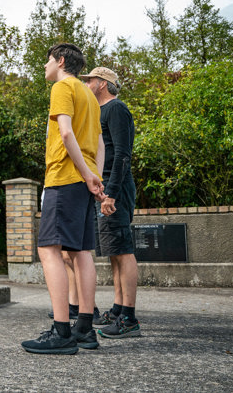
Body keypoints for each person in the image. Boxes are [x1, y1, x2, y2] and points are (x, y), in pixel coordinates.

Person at [22, 43, 106, 355]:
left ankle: (61, 331)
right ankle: (85, 329)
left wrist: (85, 175)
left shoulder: (63, 86)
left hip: (64, 178)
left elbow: (67, 134)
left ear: (60, 61)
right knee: (82, 252)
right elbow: (99, 144)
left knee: (48, 250)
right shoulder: (89, 95)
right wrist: (95, 179)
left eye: (47, 61)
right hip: (83, 182)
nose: (45, 67)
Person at [81, 66, 141, 338]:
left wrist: (112, 195)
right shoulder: (100, 111)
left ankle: (129, 318)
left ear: (103, 83)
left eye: (90, 79)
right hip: (105, 190)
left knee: (123, 249)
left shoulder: (117, 109)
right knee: (115, 251)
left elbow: (123, 156)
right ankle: (117, 310)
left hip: (115, 191)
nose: (87, 83)